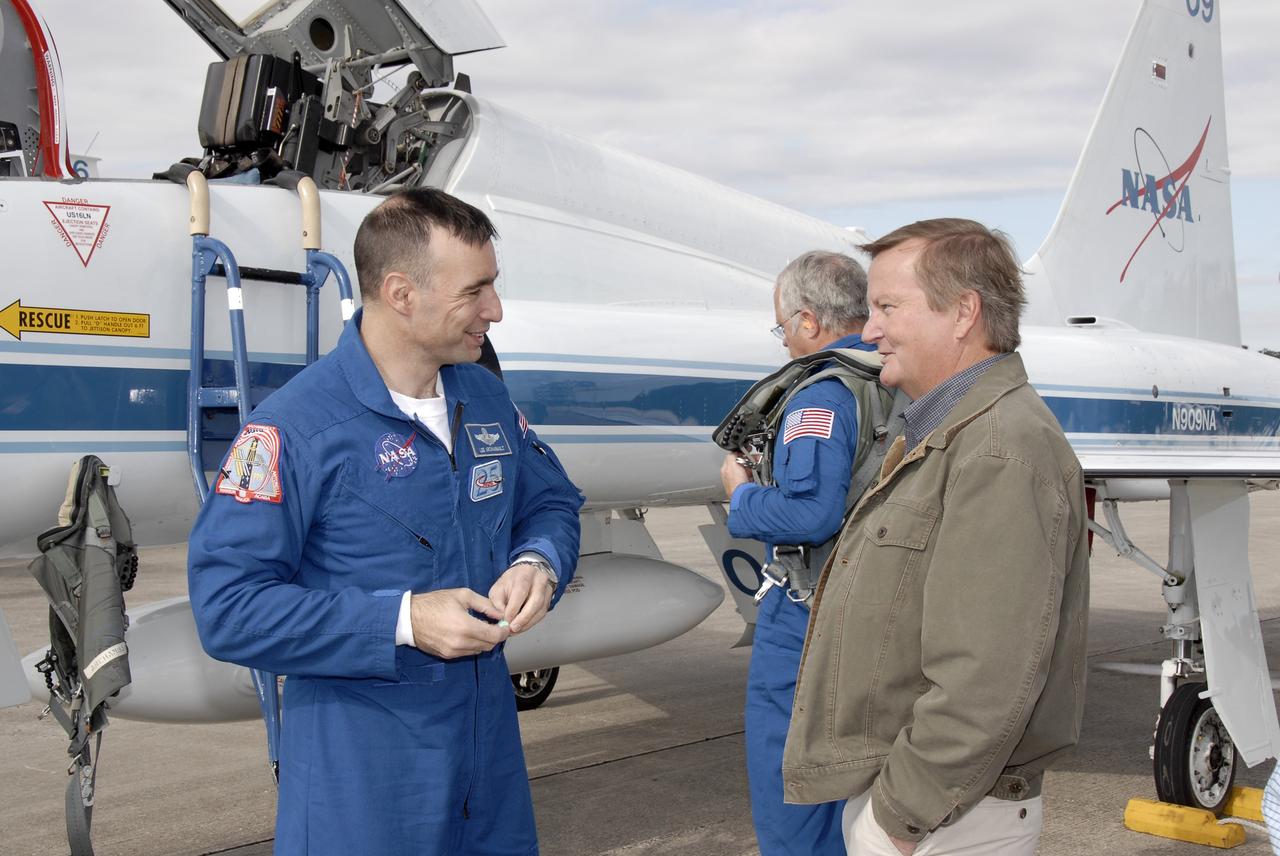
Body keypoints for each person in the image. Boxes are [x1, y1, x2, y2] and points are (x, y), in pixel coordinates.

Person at [187, 188, 584, 855]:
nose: (496, 310)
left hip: (488, 778)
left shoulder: (483, 397)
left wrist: (537, 561)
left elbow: (551, 501)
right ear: (402, 294)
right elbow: (228, 608)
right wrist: (403, 620)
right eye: (475, 291)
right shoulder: (295, 429)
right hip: (362, 790)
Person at [782, 219, 1089, 855]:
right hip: (934, 811)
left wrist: (896, 819)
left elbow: (985, 677)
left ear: (963, 313)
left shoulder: (999, 450)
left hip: (946, 822)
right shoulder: (949, 433)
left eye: (888, 307)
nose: (868, 331)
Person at [720, 250, 875, 856]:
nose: (784, 340)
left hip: (809, 613)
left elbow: (811, 514)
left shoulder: (821, 398)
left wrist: (742, 495)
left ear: (809, 322)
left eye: (783, 326)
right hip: (872, 599)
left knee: (794, 786)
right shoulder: (890, 380)